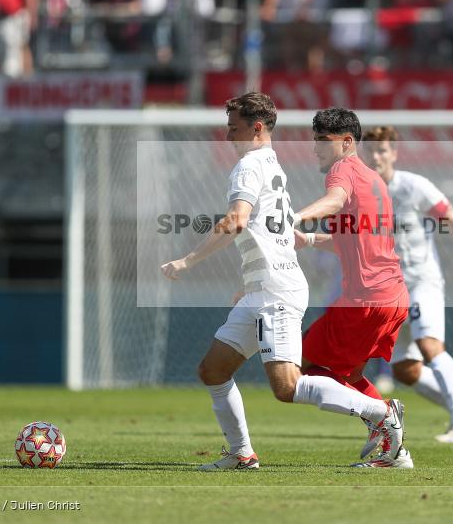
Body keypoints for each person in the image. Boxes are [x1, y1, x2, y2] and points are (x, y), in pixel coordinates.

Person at [160, 93, 406, 471]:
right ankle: (242, 454)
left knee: (289, 385)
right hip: (267, 286)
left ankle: (381, 414)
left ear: (256, 128)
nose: (227, 137)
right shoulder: (272, 163)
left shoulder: (249, 168)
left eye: (233, 128)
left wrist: (187, 260)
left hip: (279, 291)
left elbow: (237, 220)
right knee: (213, 370)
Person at [293, 108, 412, 468]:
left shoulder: (342, 170)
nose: (316, 149)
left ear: (346, 142)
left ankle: (384, 418)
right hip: (393, 297)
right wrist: (310, 240)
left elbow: (335, 200)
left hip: (366, 300)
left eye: (322, 141)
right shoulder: (374, 180)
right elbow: (355, 237)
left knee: (296, 366)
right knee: (349, 375)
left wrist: (294, 216)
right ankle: (395, 449)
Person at [360, 126, 453, 444]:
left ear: (394, 153)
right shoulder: (362, 192)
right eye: (371, 151)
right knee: (405, 369)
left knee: (431, 348)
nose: (377, 156)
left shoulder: (413, 186)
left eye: (383, 150)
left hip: (422, 281)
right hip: (390, 290)